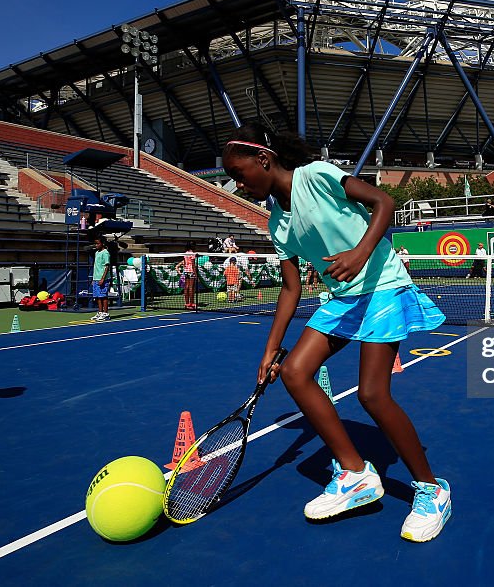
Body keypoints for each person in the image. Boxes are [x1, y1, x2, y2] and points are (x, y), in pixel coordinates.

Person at [223, 122, 451, 542]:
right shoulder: (276, 223)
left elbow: (385, 201)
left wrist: (360, 253)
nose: (237, 185)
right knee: (293, 372)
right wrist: (270, 349)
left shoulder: (317, 175)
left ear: (263, 159)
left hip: (381, 285)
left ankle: (431, 490)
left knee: (372, 395)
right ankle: (356, 473)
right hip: (344, 299)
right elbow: (291, 288)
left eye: (239, 174)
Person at [91, 235, 111, 321]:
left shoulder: (105, 253)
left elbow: (107, 266)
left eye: (98, 243)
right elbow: (96, 267)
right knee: (98, 296)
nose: (96, 245)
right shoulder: (97, 253)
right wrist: (94, 278)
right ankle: (100, 312)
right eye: (95, 244)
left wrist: (103, 278)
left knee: (103, 296)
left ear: (102, 244)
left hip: (103, 278)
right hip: (96, 278)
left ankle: (106, 313)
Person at [176, 242, 198, 311]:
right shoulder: (192, 254)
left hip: (186, 271)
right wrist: (195, 273)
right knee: (191, 288)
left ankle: (186, 303)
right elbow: (193, 264)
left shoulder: (185, 253)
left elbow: (185, 263)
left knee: (186, 287)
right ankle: (191, 303)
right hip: (191, 271)